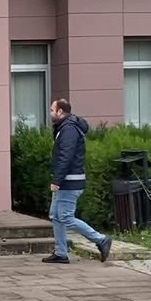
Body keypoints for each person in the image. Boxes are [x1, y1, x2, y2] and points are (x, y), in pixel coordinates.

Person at [44, 98, 112, 264]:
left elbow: (65, 157)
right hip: (67, 180)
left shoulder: (69, 130)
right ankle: (61, 253)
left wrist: (57, 180)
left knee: (65, 217)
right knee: (56, 216)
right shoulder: (65, 127)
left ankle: (101, 240)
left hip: (69, 181)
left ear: (60, 112)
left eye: (52, 110)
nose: (50, 113)